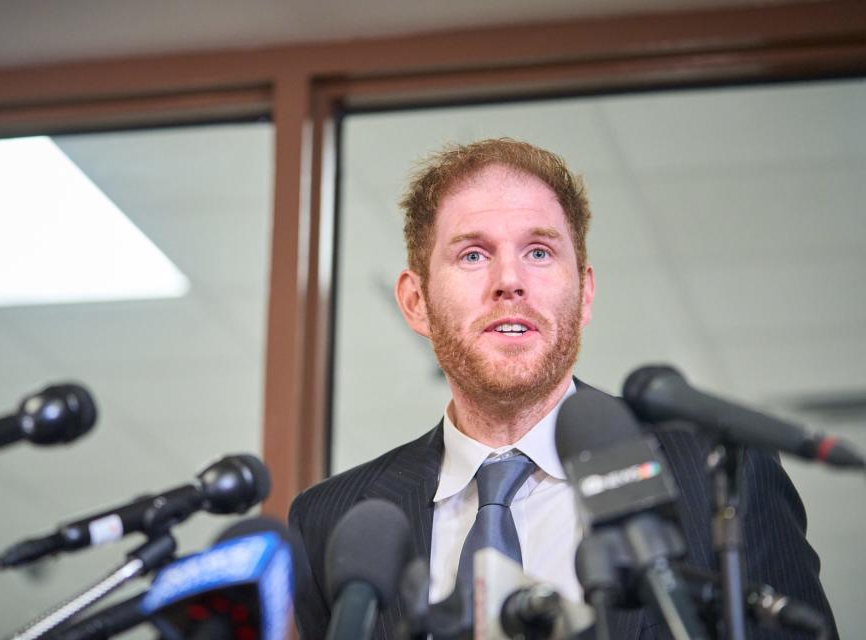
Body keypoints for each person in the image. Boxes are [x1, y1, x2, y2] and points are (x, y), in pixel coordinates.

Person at [288, 138, 835, 639]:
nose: (509, 280)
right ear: (415, 302)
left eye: (540, 251)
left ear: (585, 293)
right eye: (473, 254)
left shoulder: (718, 472)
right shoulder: (331, 521)